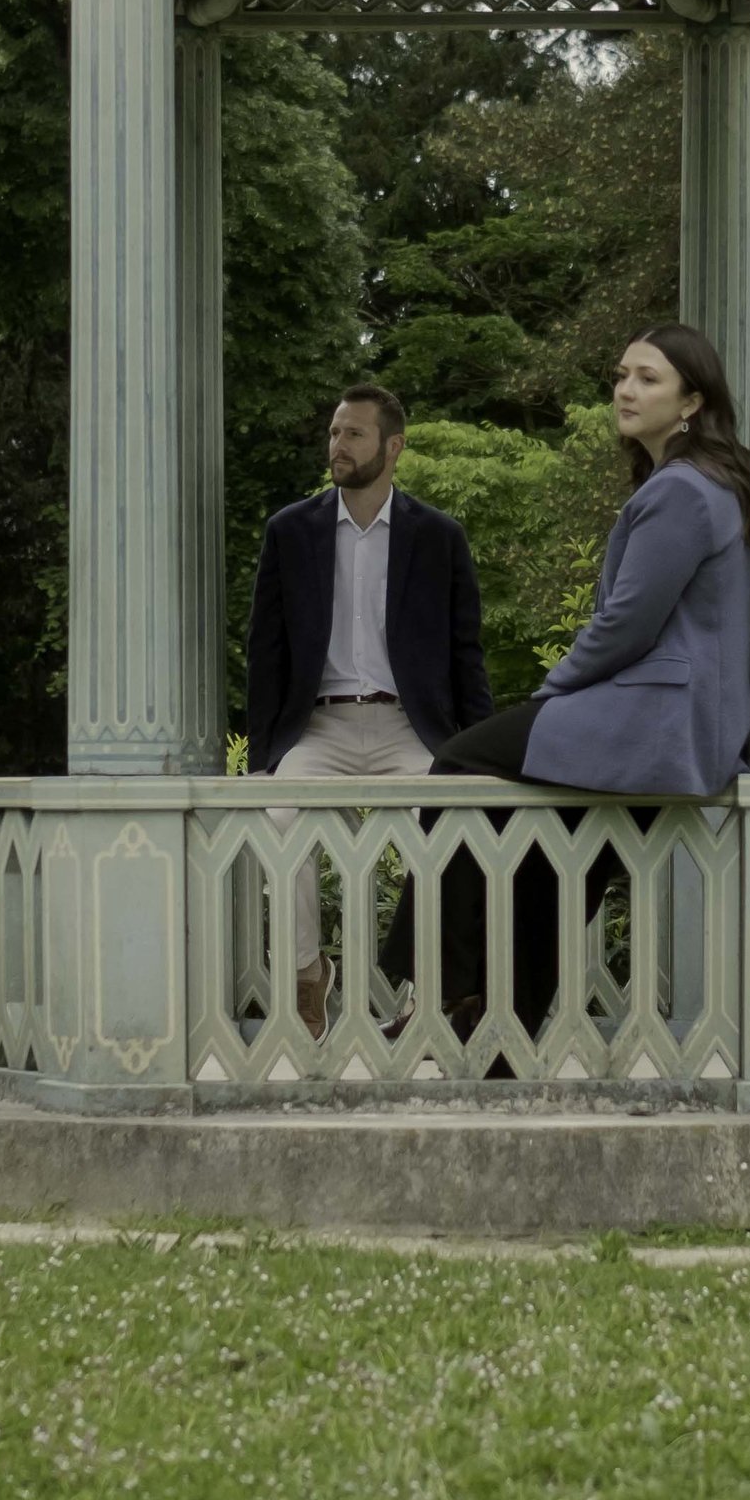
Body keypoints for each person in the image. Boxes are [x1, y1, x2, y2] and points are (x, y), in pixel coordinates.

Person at [430, 322, 750, 1031]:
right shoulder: (698, 483)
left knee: (457, 765)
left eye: (648, 378)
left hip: (659, 724)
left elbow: (626, 624)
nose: (625, 390)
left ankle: (450, 984)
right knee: (557, 866)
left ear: (691, 402)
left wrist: (554, 691)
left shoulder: (681, 491)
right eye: (621, 374)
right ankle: (498, 1028)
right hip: (675, 723)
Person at [246, 382, 490, 1036]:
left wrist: (479, 750)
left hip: (407, 727)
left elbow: (466, 652)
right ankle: (305, 974)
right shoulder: (290, 531)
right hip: (318, 726)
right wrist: (264, 757)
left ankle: (424, 993)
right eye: (334, 433)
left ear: (393, 446)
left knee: (440, 827)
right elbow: (264, 653)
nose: (339, 445)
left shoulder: (438, 537)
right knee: (278, 816)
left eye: (353, 433)